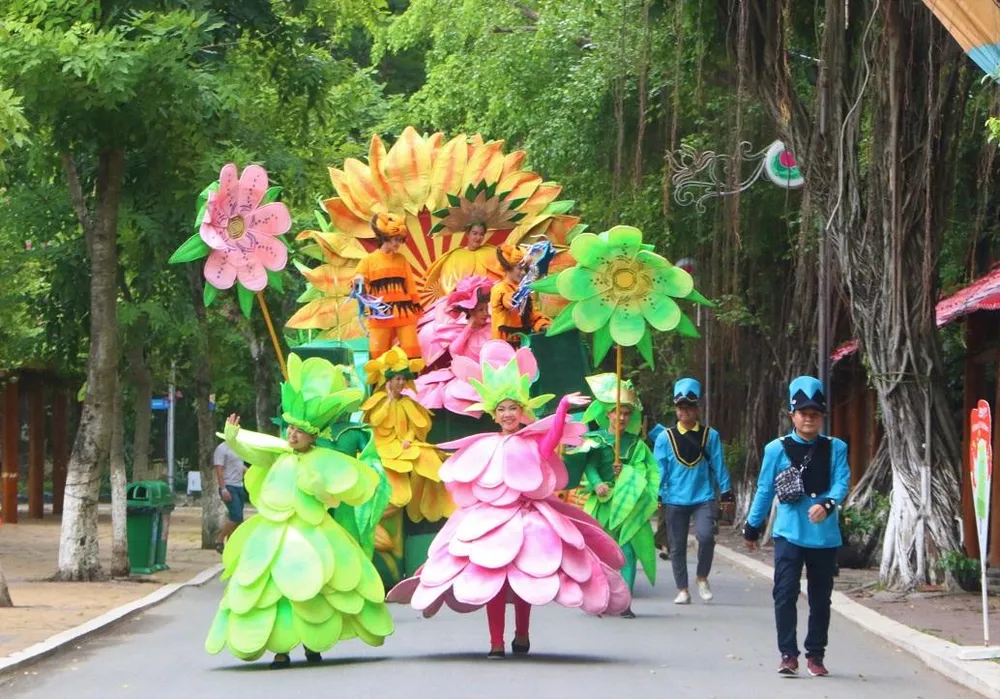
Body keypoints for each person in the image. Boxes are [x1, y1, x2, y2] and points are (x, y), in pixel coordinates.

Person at [387, 340, 631, 658]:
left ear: (522, 411)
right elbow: (449, 455)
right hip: (489, 522)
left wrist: (561, 409)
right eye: (501, 409)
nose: (507, 414)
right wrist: (415, 448)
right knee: (495, 584)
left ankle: (522, 635)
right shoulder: (484, 444)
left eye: (512, 408)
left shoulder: (532, 442)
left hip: (528, 518)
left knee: (527, 578)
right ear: (493, 413)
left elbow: (552, 441)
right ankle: (495, 642)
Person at [205, 354, 393, 669]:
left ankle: (312, 644)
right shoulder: (278, 455)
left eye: (299, 431)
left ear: (313, 435)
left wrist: (320, 487)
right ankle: (281, 650)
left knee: (315, 586)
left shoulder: (323, 459)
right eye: (290, 428)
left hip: (313, 533)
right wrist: (234, 437)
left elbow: (337, 493)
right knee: (276, 591)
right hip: (273, 534)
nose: (292, 435)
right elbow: (254, 452)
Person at [743, 375, 850, 677]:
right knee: (785, 592)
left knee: (820, 598)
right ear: (792, 415)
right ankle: (788, 654)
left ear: (822, 417)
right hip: (789, 532)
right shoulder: (776, 449)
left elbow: (842, 481)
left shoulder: (836, 447)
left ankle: (816, 654)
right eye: (803, 413)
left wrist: (828, 504)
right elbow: (764, 489)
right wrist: (752, 526)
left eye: (815, 414)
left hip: (824, 537)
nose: (809, 419)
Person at [573, 373, 660, 618]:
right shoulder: (596, 439)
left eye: (626, 413)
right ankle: (599, 599)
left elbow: (645, 469)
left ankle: (624, 603)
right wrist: (598, 483)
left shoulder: (635, 443)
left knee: (627, 553)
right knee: (600, 553)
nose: (621, 417)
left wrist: (628, 471)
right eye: (617, 412)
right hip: (601, 504)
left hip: (627, 504)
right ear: (608, 413)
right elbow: (588, 466)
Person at [654, 378, 732, 604]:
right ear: (676, 409)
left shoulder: (711, 436)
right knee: (676, 545)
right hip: (674, 498)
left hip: (703, 496)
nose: (684, 412)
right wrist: (658, 494)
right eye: (680, 407)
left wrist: (726, 491)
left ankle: (701, 576)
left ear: (697, 409)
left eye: (689, 407)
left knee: (706, 537)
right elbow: (660, 468)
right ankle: (683, 589)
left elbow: (719, 464)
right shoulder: (664, 437)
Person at [415, 276, 495, 409]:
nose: (486, 313)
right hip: (462, 376)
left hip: (489, 378)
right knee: (427, 390)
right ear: (471, 311)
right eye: (481, 310)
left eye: (487, 309)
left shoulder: (492, 328)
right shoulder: (460, 330)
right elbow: (454, 351)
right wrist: (469, 328)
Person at [353, 212, 423, 359]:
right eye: (395, 239)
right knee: (378, 356)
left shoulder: (401, 259)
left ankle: (410, 381)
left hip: (403, 313)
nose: (398, 243)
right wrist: (358, 279)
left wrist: (416, 307)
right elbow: (358, 281)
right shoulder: (368, 261)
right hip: (381, 316)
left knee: (411, 353)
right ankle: (380, 382)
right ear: (385, 237)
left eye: (400, 240)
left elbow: (410, 285)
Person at [423, 222, 503, 301]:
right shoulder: (455, 255)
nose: (478, 237)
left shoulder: (491, 252)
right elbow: (450, 285)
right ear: (467, 234)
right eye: (475, 233)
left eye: (481, 234)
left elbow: (501, 277)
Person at [490, 243, 550, 346]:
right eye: (520, 268)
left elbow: (531, 315)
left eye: (525, 269)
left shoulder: (523, 289)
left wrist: (543, 324)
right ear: (508, 267)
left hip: (524, 343)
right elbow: (508, 301)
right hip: (504, 347)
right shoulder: (498, 288)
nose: (523, 273)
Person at [213, 439, 247, 553]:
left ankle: (231, 546)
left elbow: (239, 466)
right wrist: (223, 489)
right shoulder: (222, 448)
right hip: (228, 486)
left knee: (238, 519)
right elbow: (219, 469)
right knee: (236, 516)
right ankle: (219, 539)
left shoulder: (238, 448)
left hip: (239, 485)